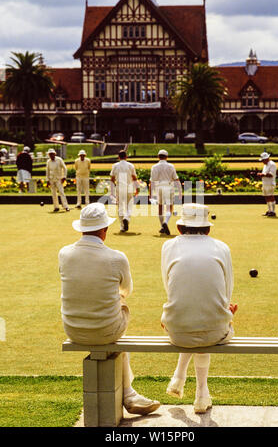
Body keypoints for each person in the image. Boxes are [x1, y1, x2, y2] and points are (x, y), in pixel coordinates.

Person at [59, 203, 160, 415]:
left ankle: (129, 394)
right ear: (104, 230)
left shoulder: (64, 253)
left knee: (111, 312)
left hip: (72, 330)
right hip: (106, 330)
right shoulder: (116, 257)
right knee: (120, 306)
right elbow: (126, 290)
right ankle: (129, 393)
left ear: (81, 228)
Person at [161, 203, 238, 413]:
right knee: (206, 322)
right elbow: (227, 290)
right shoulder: (222, 247)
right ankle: (201, 393)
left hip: (178, 331)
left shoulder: (168, 246)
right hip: (215, 331)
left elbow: (169, 289)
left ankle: (179, 376)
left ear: (179, 228)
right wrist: (227, 311)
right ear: (208, 229)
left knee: (190, 320)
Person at [149, 149, 182, 235]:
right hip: (168, 187)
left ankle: (162, 226)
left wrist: (150, 195)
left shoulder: (154, 167)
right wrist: (180, 191)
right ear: (167, 157)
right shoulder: (171, 166)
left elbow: (152, 182)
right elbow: (176, 179)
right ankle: (165, 223)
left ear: (158, 157)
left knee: (160, 207)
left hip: (159, 187)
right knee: (169, 207)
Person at [110, 150, 139, 233]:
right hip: (129, 187)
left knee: (120, 207)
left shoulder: (115, 166)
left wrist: (112, 191)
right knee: (129, 205)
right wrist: (137, 189)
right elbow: (134, 178)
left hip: (119, 187)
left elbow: (112, 179)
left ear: (119, 157)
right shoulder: (130, 165)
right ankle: (127, 218)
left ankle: (122, 226)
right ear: (126, 156)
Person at [46, 148, 70, 212]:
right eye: (50, 154)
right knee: (54, 193)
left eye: (52, 154)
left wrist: (64, 177)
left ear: (54, 154)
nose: (51, 155)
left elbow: (65, 168)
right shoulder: (48, 161)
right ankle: (56, 207)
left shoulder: (59, 160)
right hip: (51, 179)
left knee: (61, 192)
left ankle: (66, 206)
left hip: (59, 179)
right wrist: (47, 180)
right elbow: (47, 171)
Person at [257, 152, 277, 217]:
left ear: (266, 159)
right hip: (265, 183)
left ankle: (273, 211)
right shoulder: (265, 165)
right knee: (266, 196)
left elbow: (271, 174)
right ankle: (269, 210)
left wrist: (262, 174)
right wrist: (261, 175)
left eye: (263, 160)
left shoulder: (272, 164)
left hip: (270, 183)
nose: (262, 161)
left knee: (270, 196)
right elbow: (265, 173)